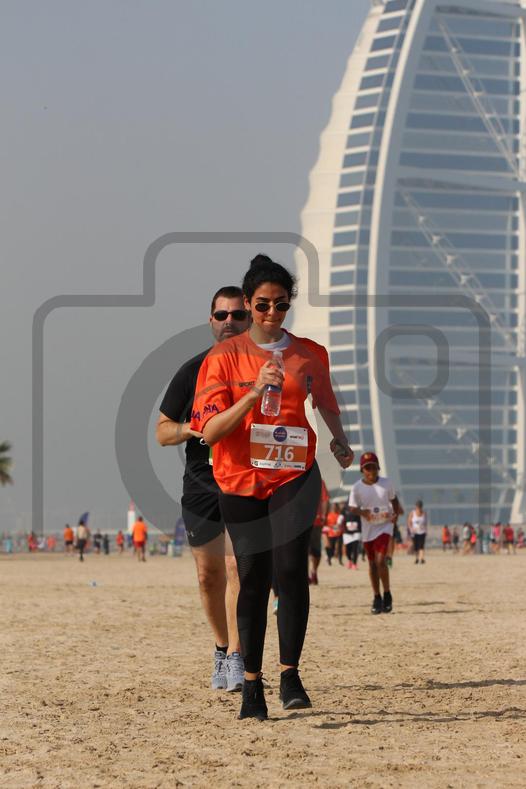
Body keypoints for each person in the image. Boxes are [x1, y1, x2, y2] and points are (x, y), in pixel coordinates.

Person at [191, 254, 353, 720]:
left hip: (294, 472)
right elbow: (210, 431)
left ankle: (291, 675)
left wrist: (340, 441)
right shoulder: (223, 358)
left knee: (291, 569)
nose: (271, 313)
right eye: (262, 305)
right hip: (241, 478)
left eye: (281, 304)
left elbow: (325, 403)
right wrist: (252, 392)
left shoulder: (310, 353)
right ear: (248, 303)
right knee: (254, 577)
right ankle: (250, 684)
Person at [157, 286, 250, 693]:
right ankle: (221, 647)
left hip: (245, 480)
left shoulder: (264, 367)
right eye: (221, 315)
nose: (229, 322)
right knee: (208, 576)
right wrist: (189, 429)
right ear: (211, 320)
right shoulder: (192, 370)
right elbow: (162, 432)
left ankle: (238, 656)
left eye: (237, 315)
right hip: (201, 483)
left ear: (250, 319)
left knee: (236, 568)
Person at [349, 452, 402, 614]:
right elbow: (352, 507)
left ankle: (387, 593)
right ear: (362, 470)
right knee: (372, 564)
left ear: (378, 468)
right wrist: (363, 513)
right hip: (368, 529)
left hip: (385, 526)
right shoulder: (357, 487)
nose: (370, 471)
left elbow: (394, 500)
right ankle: (377, 597)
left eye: (373, 467)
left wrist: (395, 515)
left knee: (380, 561)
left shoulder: (387, 483)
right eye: (367, 468)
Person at [309, 479, 329, 585]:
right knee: (304, 550)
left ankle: (313, 571)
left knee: (315, 549)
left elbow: (325, 498)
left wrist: (324, 515)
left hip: (316, 520)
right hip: (299, 521)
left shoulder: (319, 481)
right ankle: (307, 574)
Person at [340, 503, 361, 570]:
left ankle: (354, 564)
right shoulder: (344, 509)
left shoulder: (359, 508)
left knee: (355, 548)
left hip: (356, 532)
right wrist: (339, 523)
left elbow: (361, 519)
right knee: (348, 549)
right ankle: (349, 560)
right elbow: (341, 518)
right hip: (347, 532)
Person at [408, 500, 427, 565]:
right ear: (416, 506)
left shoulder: (424, 513)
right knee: (416, 546)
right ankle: (417, 558)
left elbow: (425, 523)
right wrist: (411, 529)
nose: (419, 508)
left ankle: (422, 559)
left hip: (422, 532)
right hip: (414, 532)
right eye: (418, 506)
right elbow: (409, 522)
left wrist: (426, 530)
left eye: (420, 506)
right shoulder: (412, 513)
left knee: (421, 545)